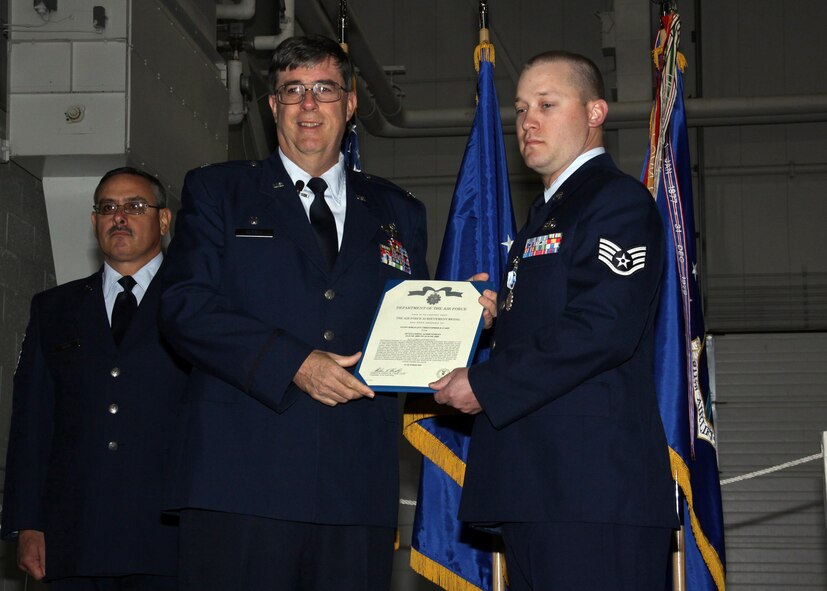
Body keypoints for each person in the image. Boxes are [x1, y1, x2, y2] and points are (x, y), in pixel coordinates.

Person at [158, 35, 428, 591]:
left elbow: (408, 326)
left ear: (350, 103)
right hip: (241, 482)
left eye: (324, 89)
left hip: (355, 486)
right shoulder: (218, 191)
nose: (308, 104)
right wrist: (294, 363)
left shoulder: (399, 210)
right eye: (292, 90)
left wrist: (465, 314)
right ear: (272, 105)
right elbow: (186, 307)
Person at [431, 50, 679, 590]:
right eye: (521, 109)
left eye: (547, 104)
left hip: (594, 494)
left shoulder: (615, 201)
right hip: (542, 491)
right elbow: (556, 321)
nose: (528, 121)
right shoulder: (549, 213)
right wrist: (494, 319)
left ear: (594, 113)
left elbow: (603, 328)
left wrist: (486, 384)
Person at [2, 167, 189, 590]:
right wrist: (27, 522)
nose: (118, 217)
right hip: (75, 535)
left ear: (164, 220)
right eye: (107, 208)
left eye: (134, 206)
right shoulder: (54, 308)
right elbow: (33, 422)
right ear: (94, 222)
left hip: (168, 536)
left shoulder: (195, 301)